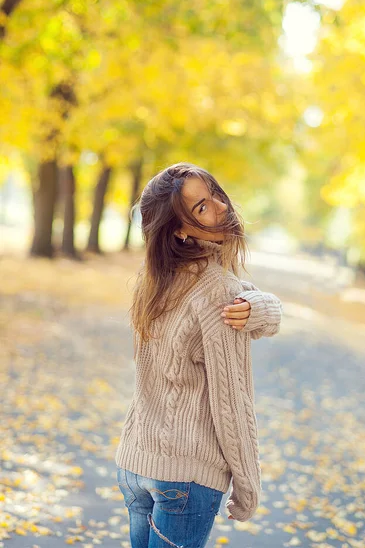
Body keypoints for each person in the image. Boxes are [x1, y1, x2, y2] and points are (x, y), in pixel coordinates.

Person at [115, 162, 283, 548]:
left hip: (135, 464)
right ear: (181, 229)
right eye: (202, 208)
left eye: (215, 195)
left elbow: (235, 301)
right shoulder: (218, 289)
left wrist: (266, 307)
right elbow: (232, 398)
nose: (222, 207)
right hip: (185, 476)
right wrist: (248, 485)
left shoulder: (153, 280)